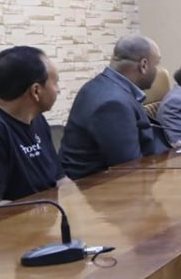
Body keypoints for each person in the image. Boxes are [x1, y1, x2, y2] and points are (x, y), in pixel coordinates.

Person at [60, 35, 171, 180]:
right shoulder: (113, 103)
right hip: (97, 188)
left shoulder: (105, 87)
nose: (158, 70)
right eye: (156, 64)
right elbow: (130, 169)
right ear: (143, 65)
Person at [0, 46, 65, 202]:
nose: (58, 90)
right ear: (36, 91)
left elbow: (60, 180)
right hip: (21, 218)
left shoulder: (38, 120)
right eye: (55, 83)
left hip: (49, 215)